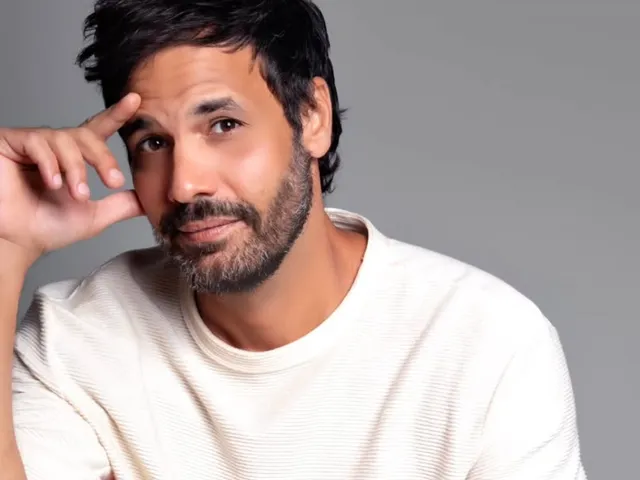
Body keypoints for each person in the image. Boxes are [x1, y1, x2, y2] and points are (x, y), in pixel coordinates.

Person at [0, 0, 587, 479]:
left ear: (312, 116)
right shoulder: (76, 343)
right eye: (152, 142)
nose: (183, 184)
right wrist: (5, 248)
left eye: (223, 125)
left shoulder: (487, 346)